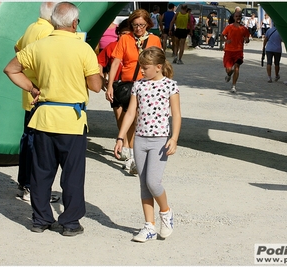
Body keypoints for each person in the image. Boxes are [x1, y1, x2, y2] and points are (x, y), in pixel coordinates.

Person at [3, 2, 103, 236]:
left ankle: (40, 219)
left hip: (44, 116)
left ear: (54, 21)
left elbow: (10, 69)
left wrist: (32, 88)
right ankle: (69, 222)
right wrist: (97, 69)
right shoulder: (83, 48)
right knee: (73, 174)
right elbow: (96, 86)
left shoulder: (39, 46)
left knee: (41, 171)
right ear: (75, 22)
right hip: (72, 119)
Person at [114, 46, 181, 242]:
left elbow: (176, 114)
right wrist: (120, 137)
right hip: (140, 140)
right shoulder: (138, 85)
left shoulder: (170, 86)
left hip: (160, 140)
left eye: (145, 67)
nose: (142, 70)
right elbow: (130, 113)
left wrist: (174, 138)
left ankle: (166, 212)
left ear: (158, 67)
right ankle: (149, 226)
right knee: (143, 184)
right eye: (140, 67)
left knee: (153, 182)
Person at [106, 9, 162, 175]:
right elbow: (116, 62)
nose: (138, 28)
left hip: (148, 85)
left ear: (148, 24)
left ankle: (135, 153)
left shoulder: (154, 40)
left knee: (140, 121)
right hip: (129, 85)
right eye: (135, 25)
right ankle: (132, 155)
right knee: (132, 118)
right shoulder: (125, 38)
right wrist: (110, 85)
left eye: (142, 25)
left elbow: (160, 64)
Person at [14, 2, 59, 203]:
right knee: (37, 143)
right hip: (40, 93)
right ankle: (32, 188)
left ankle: (24, 183)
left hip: (28, 91)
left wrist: (27, 72)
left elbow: (17, 46)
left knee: (27, 138)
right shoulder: (49, 32)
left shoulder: (32, 27)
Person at [97, 19, 131, 160]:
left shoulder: (136, 46)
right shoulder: (112, 47)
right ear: (118, 34)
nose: (125, 37)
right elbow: (99, 62)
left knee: (132, 118)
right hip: (116, 86)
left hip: (132, 85)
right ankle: (124, 144)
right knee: (119, 118)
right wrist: (102, 79)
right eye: (122, 34)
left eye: (128, 34)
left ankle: (129, 148)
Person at [221, 11, 250, 93]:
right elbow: (222, 35)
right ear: (234, 18)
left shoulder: (244, 29)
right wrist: (226, 41)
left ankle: (233, 86)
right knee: (229, 69)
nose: (238, 18)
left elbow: (247, 39)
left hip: (239, 51)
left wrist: (246, 40)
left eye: (239, 16)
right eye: (236, 16)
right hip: (229, 51)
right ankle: (229, 74)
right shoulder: (229, 27)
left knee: (237, 67)